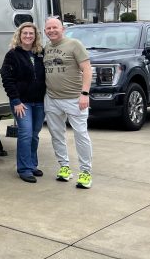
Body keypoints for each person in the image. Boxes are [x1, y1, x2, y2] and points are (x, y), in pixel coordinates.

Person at [43, 17, 94, 189]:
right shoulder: (46, 48)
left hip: (74, 99)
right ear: (45, 31)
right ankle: (64, 167)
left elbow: (87, 69)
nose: (52, 30)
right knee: (56, 134)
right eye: (48, 28)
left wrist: (85, 93)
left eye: (55, 27)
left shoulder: (74, 44)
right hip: (52, 98)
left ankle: (85, 172)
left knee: (81, 134)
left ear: (62, 29)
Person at [0, 22, 46, 183]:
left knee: (34, 134)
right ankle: (24, 169)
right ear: (19, 35)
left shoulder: (40, 53)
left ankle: (32, 164)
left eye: (31, 33)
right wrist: (15, 100)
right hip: (21, 102)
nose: (28, 36)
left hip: (39, 102)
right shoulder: (12, 54)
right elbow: (6, 78)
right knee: (25, 133)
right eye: (25, 33)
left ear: (35, 36)